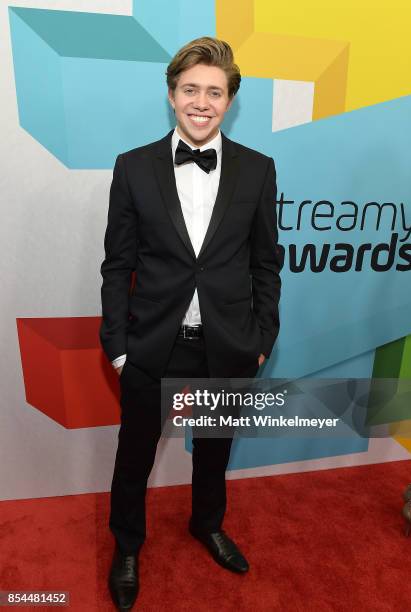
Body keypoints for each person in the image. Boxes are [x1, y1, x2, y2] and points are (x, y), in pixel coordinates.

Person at [99, 36, 281, 610]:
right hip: (152, 344)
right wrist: (119, 347)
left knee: (214, 451)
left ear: (229, 100)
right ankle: (127, 546)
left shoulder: (257, 169)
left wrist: (261, 339)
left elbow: (265, 263)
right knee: (135, 455)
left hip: (227, 345)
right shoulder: (133, 167)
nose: (202, 102)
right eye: (191, 89)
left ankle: (208, 524)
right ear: (172, 94)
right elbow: (117, 264)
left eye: (215, 92)